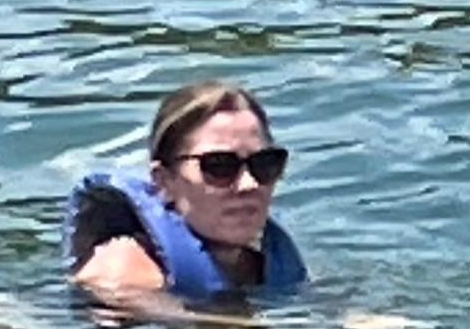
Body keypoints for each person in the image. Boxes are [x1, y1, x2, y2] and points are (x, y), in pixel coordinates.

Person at [69, 79, 310, 309]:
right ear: (164, 181)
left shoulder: (263, 270)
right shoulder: (120, 272)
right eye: (218, 166)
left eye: (264, 164)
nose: (249, 184)